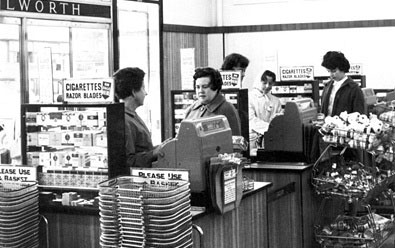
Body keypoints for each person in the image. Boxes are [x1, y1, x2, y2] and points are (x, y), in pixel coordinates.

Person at [113, 67, 163, 168]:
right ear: (134, 92)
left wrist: (162, 147)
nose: (146, 93)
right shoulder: (124, 120)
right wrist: (154, 153)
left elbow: (142, 149)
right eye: (143, 88)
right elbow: (128, 161)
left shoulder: (132, 115)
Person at [184, 67, 241, 135]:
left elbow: (234, 141)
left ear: (215, 87)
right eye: (198, 87)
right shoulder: (192, 108)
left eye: (205, 87)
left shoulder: (227, 108)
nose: (200, 91)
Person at [320, 51, 365, 116]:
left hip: (345, 125)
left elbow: (359, 115)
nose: (331, 75)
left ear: (342, 68)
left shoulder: (354, 89)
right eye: (329, 71)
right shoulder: (327, 86)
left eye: (334, 71)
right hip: (328, 124)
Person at [249, 70, 282, 149]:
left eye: (270, 83)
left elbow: (279, 118)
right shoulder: (249, 97)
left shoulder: (275, 100)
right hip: (254, 139)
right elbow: (251, 120)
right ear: (258, 81)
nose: (267, 86)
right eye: (264, 83)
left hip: (272, 138)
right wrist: (269, 128)